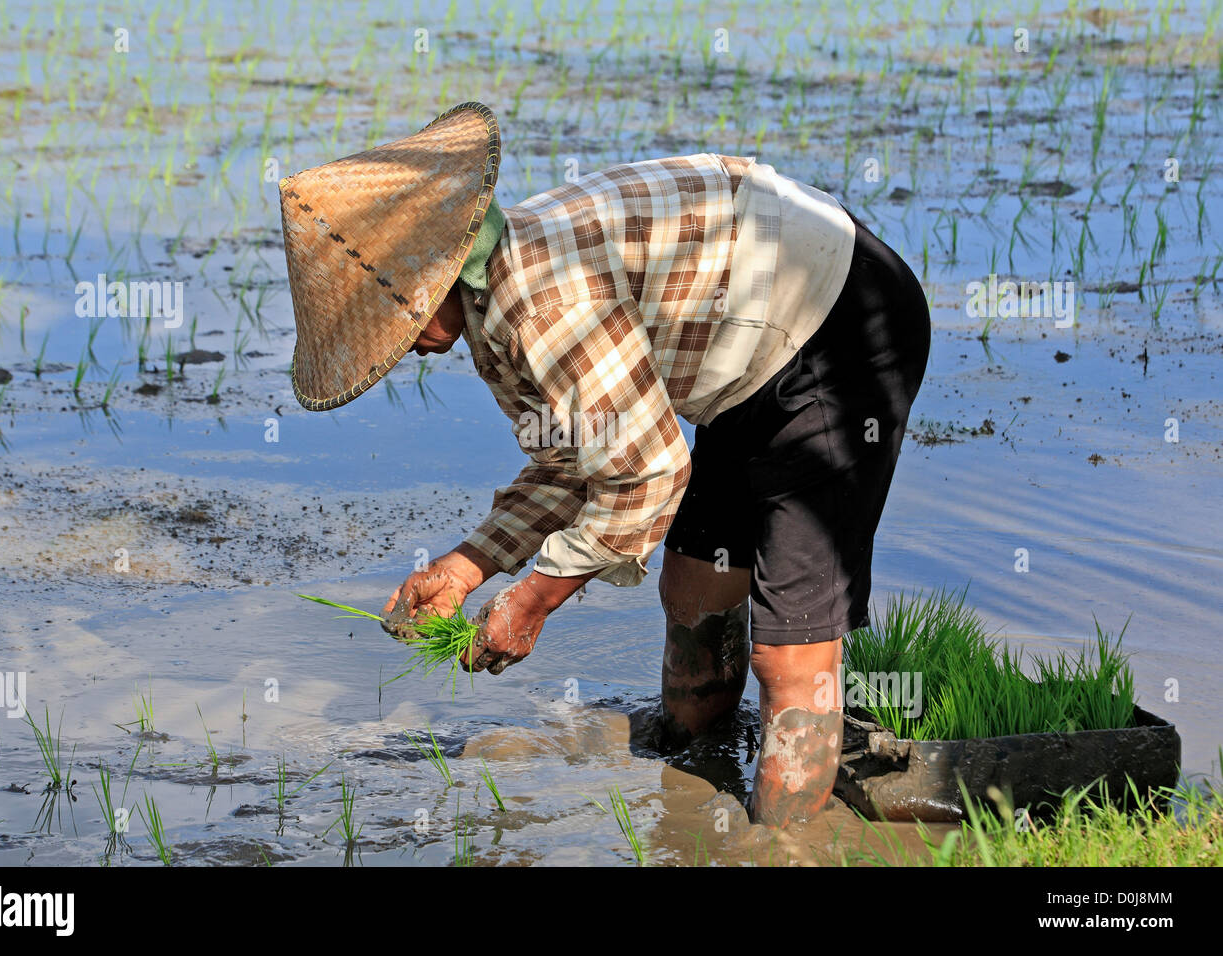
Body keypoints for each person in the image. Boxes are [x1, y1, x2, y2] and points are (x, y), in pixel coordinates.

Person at [279, 102, 930, 826]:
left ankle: (782, 841)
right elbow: (579, 462)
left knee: (790, 655)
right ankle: (695, 785)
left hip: (836, 328)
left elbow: (651, 472)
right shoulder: (493, 304)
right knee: (693, 592)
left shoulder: (543, 307)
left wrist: (533, 601)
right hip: (742, 360)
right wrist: (465, 568)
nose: (404, 350)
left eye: (396, 326)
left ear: (428, 282)